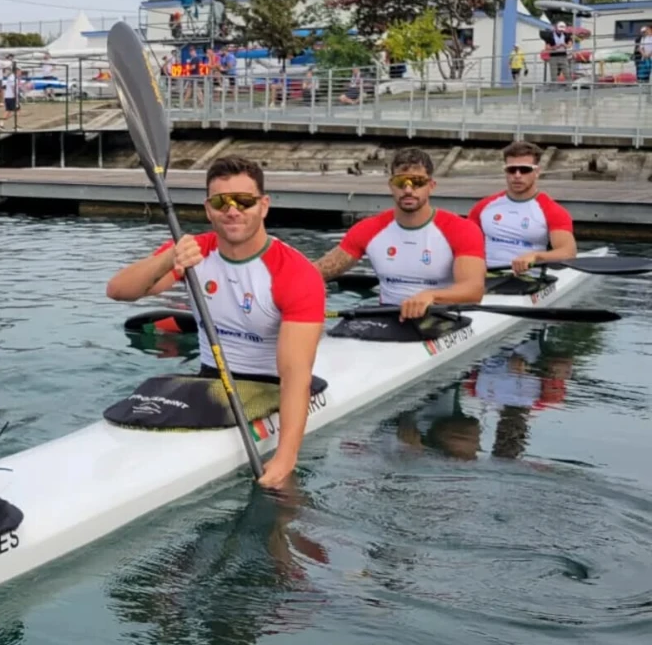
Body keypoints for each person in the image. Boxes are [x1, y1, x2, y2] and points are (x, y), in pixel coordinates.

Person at [105, 155, 326, 489]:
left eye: (244, 201)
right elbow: (118, 291)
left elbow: (295, 375)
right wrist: (169, 258)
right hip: (209, 378)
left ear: (264, 206)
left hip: (269, 386)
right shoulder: (194, 252)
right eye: (222, 202)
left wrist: (285, 458)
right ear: (209, 209)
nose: (232, 210)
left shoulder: (295, 273)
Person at [313, 146, 486, 326]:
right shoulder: (368, 229)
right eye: (401, 182)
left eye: (417, 182)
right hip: (387, 315)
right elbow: (316, 272)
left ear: (431, 186)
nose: (408, 190)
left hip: (442, 316)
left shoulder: (461, 229)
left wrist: (431, 296)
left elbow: (473, 291)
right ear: (391, 186)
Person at [467, 140, 576, 275]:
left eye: (524, 170)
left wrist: (536, 256)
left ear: (537, 172)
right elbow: (464, 243)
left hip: (528, 279)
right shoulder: (484, 207)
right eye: (511, 170)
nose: (517, 175)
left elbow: (568, 253)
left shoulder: (553, 211)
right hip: (486, 276)